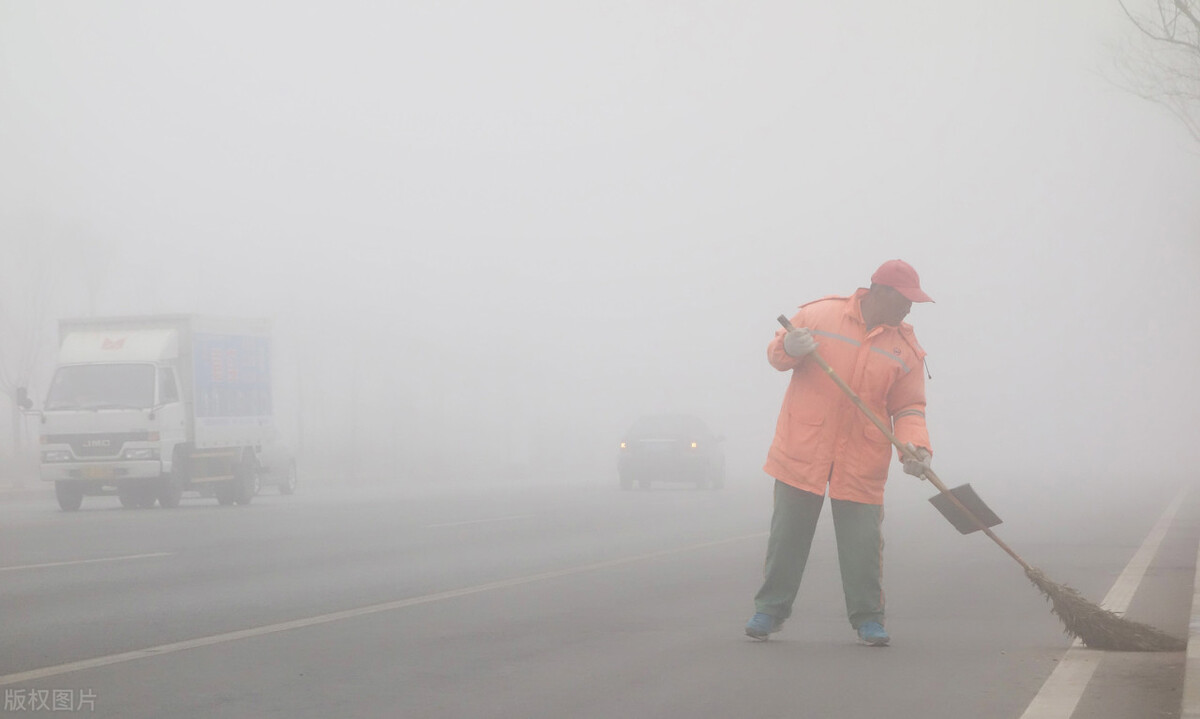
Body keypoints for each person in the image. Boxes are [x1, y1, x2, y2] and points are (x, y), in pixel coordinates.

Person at [745, 259, 935, 647]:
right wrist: (788, 346)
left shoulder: (906, 348)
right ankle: (769, 610)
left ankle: (869, 619)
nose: (909, 309)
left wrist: (915, 448)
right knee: (787, 538)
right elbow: (777, 356)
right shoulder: (819, 315)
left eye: (912, 302)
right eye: (904, 300)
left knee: (863, 545)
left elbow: (909, 407)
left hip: (862, 455)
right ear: (878, 291)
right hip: (803, 447)